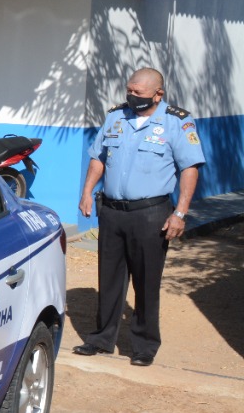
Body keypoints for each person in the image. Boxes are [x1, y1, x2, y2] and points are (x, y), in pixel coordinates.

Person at [74, 67, 206, 366]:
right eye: (129, 90)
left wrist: (180, 213)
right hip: (112, 211)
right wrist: (86, 192)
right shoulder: (116, 116)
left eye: (139, 93)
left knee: (146, 282)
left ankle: (144, 345)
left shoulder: (177, 123)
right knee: (109, 278)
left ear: (158, 94)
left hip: (151, 214)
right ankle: (101, 339)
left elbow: (190, 168)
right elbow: (99, 157)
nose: (131, 96)